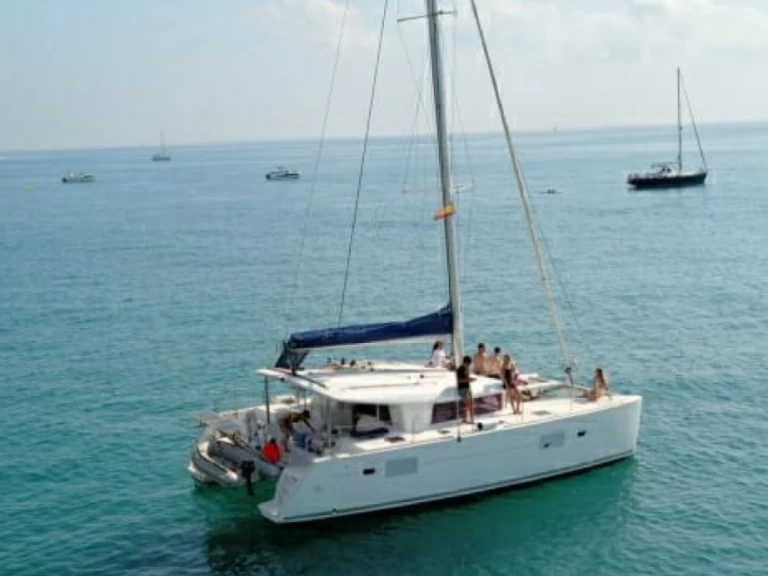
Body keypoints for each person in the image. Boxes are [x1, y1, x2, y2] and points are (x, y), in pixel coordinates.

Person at [456, 355, 476, 424]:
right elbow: (459, 381)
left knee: (470, 404)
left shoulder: (466, 369)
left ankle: (465, 419)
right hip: (462, 389)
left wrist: (469, 379)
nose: (469, 365)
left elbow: (466, 378)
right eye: (469, 364)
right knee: (469, 404)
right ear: (466, 362)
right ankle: (471, 420)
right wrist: (469, 380)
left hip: (467, 388)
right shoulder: (460, 369)